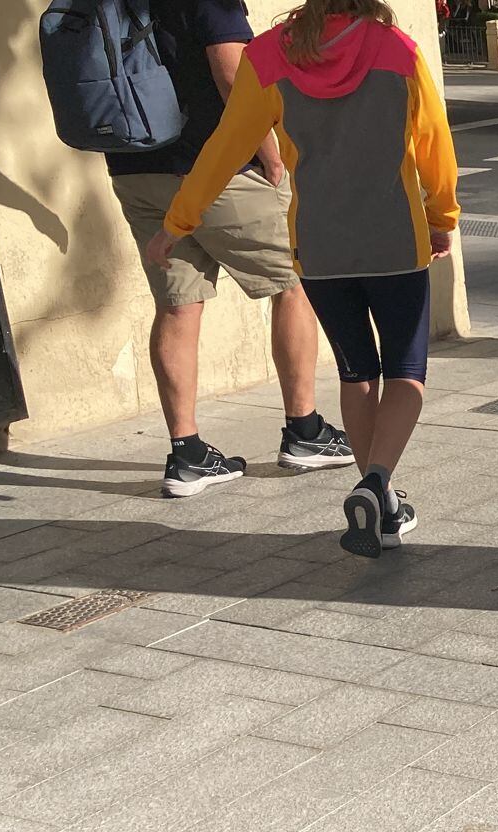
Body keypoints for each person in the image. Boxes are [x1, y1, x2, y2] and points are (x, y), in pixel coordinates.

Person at [146, 0, 459, 558]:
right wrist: (442, 220)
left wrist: (179, 221)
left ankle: (380, 507)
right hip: (395, 241)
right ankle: (377, 482)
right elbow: (435, 149)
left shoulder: (268, 54)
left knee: (356, 372)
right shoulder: (399, 50)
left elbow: (226, 147)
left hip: (318, 246)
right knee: (406, 373)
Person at [105, 0, 354, 498]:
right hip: (218, 170)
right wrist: (271, 153)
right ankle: (304, 431)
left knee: (177, 306)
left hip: (135, 167)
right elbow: (231, 71)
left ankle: (188, 454)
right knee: (295, 281)